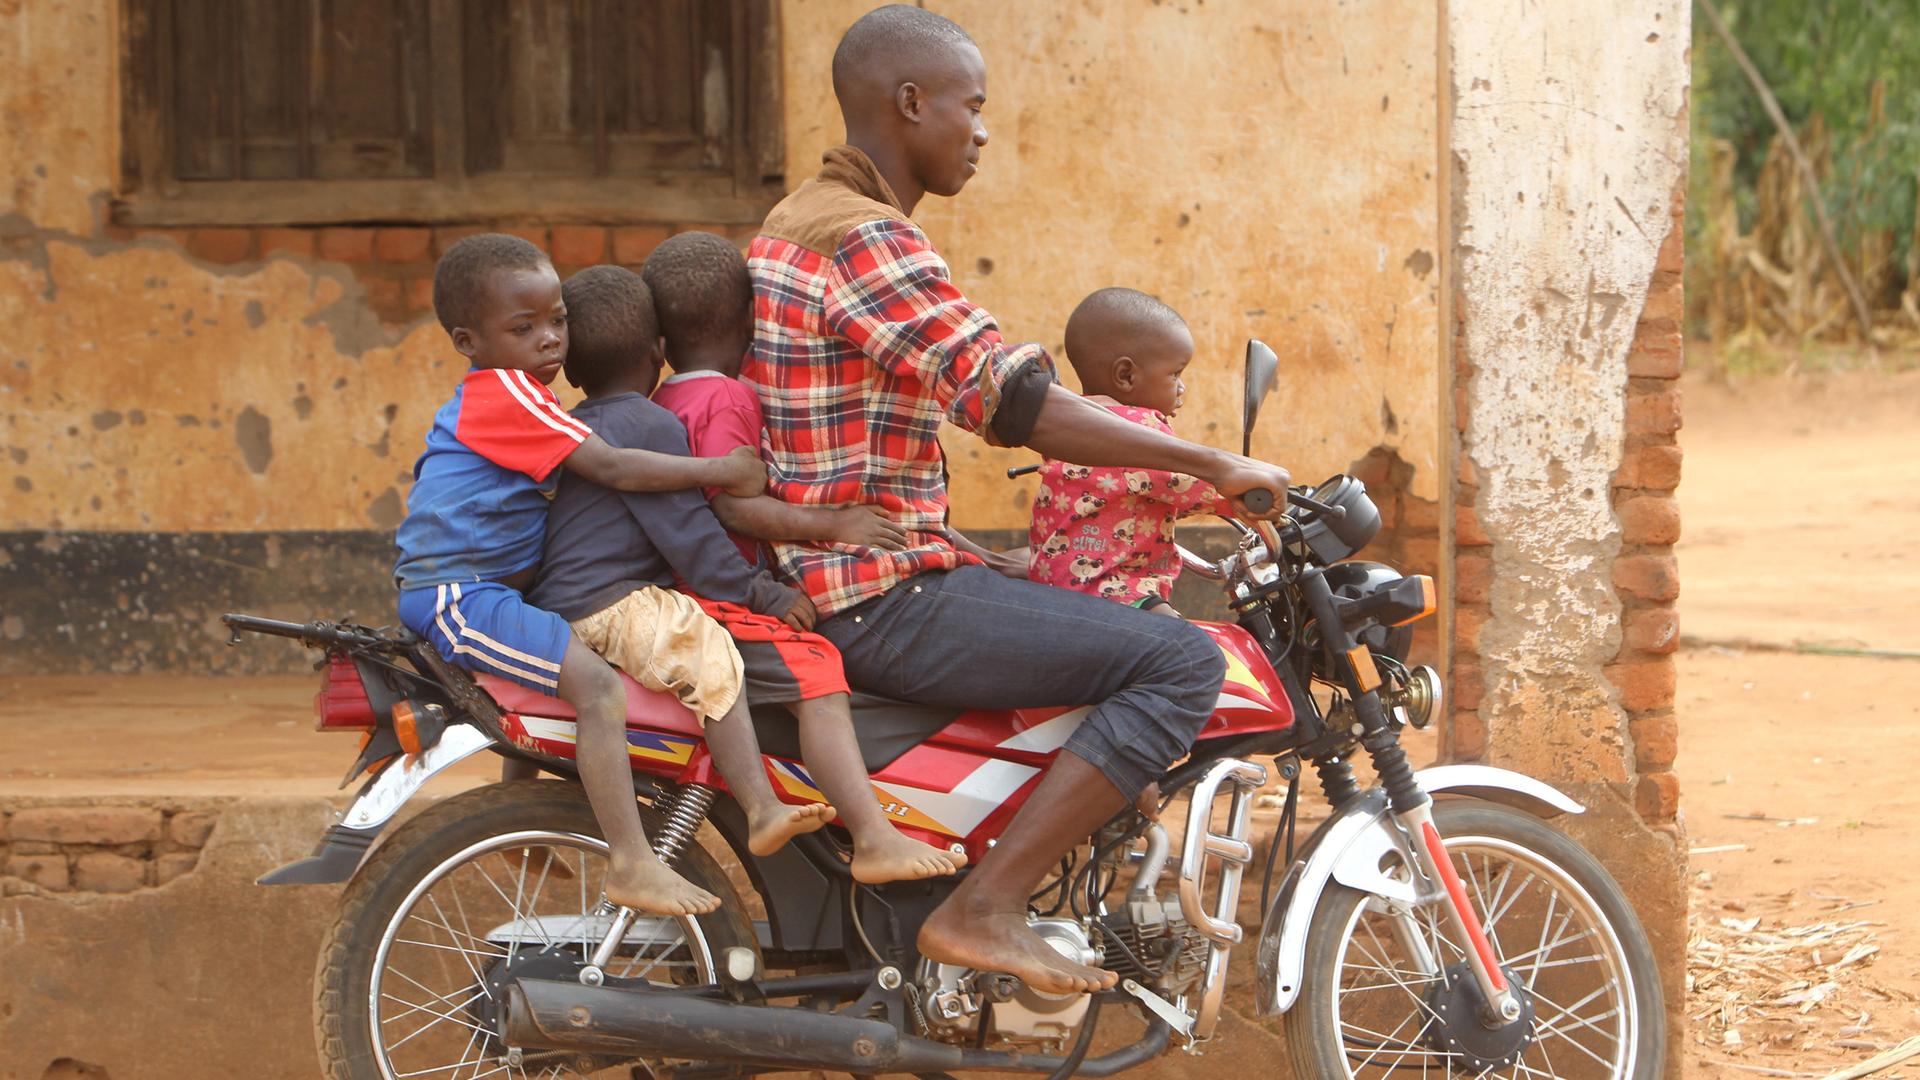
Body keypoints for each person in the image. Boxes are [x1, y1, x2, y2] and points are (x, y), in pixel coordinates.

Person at [744, 5, 1291, 994]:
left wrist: (955, 544)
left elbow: (849, 438)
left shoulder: (798, 220)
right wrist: (1210, 464)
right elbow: (1010, 399)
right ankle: (989, 907)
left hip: (850, 566)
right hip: (871, 594)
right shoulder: (871, 241)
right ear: (911, 103)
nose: (983, 131)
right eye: (973, 106)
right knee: (1176, 660)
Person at [538, 263, 961, 883]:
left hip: (563, 602)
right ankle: (867, 834)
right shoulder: (669, 418)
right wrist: (760, 590)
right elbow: (695, 536)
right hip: (620, 602)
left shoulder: (584, 422)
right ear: (658, 350)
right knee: (812, 668)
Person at [392, 233, 765, 917]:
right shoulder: (507, 393)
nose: (548, 341)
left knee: (562, 665)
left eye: (557, 320)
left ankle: (521, 817)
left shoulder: (517, 399)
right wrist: (720, 470)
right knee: (595, 687)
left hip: (487, 587)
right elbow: (616, 467)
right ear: (467, 340)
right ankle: (631, 861)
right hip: (459, 593)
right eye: (524, 327)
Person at [1029, 288, 1235, 618]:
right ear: (1126, 376)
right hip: (1116, 591)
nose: (1182, 388)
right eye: (1175, 374)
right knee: (1195, 654)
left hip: (1055, 589)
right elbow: (1195, 483)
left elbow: (1127, 496)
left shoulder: (1071, 427)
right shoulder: (1136, 431)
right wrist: (1256, 495)